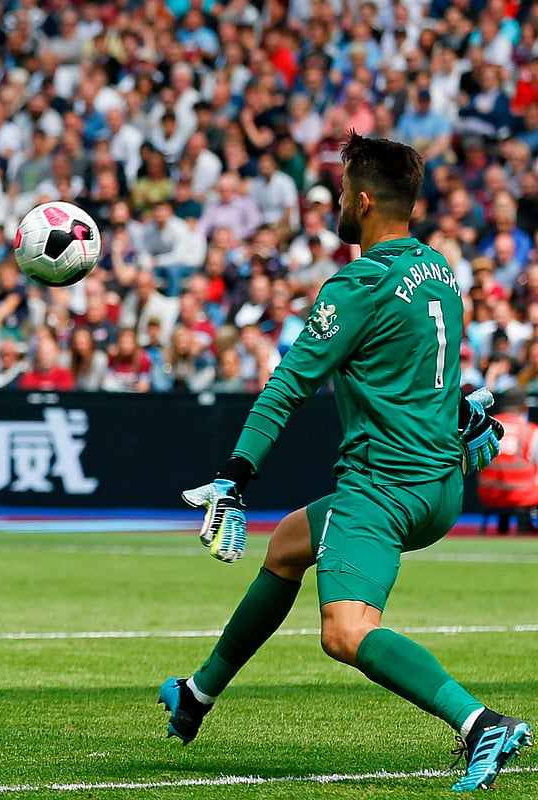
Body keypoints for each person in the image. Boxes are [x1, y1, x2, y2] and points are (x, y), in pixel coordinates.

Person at [160, 134, 529, 793]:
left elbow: (287, 386)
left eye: (339, 192)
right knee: (288, 546)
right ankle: (198, 692)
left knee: (346, 631)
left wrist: (234, 476)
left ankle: (480, 724)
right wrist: (461, 415)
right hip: (441, 482)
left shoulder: (358, 282)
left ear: (362, 200)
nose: (335, 202)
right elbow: (423, 373)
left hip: (385, 487)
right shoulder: (440, 271)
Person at [475, 388, 538, 534]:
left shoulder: (485, 426)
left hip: (488, 494)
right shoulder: (529, 430)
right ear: (524, 407)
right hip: (523, 496)